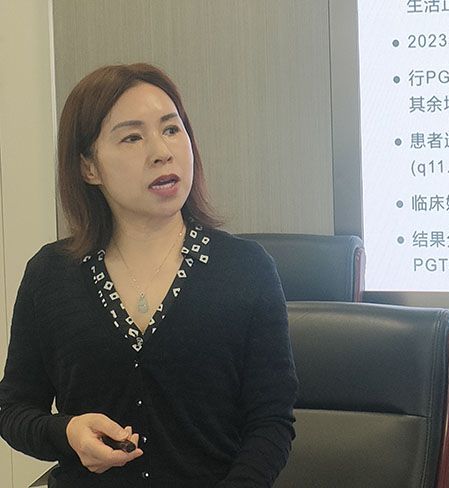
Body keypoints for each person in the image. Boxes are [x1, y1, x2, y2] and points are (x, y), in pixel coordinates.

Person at [0, 63, 298, 487]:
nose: (161, 151)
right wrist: (67, 433)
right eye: (132, 137)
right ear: (89, 167)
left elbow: (271, 422)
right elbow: (13, 409)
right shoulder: (50, 274)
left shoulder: (245, 269)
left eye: (172, 129)